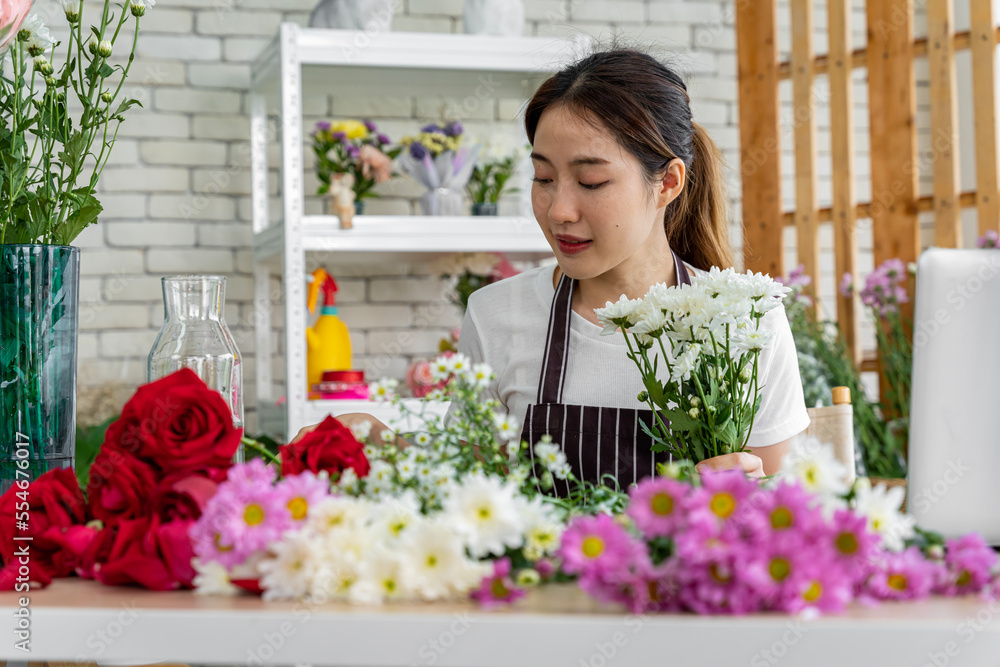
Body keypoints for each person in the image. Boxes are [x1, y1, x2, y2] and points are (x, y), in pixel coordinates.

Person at [294, 47, 810, 481]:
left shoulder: (743, 323)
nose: (559, 210)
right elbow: (474, 491)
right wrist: (381, 440)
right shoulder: (497, 315)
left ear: (668, 183)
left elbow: (785, 525)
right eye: (543, 179)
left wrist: (736, 497)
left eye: (591, 182)